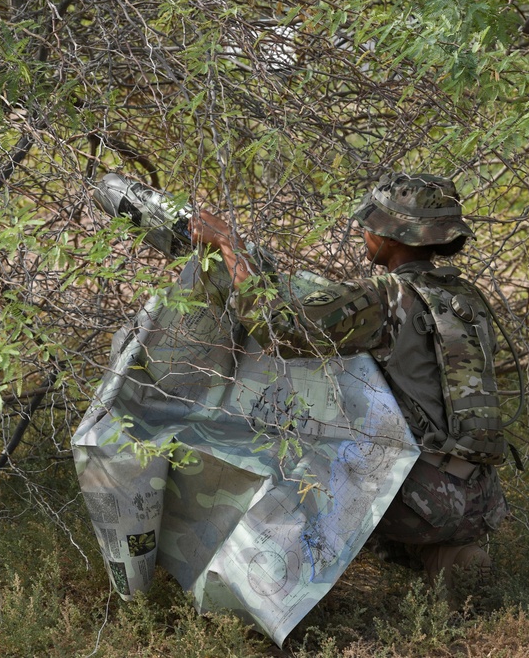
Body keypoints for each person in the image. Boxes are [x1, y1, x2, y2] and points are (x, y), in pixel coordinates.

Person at [190, 172, 509, 593]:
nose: (364, 229)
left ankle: (270, 590)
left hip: (421, 502)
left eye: (371, 223)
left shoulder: (386, 298)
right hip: (479, 500)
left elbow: (278, 328)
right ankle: (449, 559)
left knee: (295, 444)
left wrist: (229, 246)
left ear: (393, 236)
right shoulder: (465, 298)